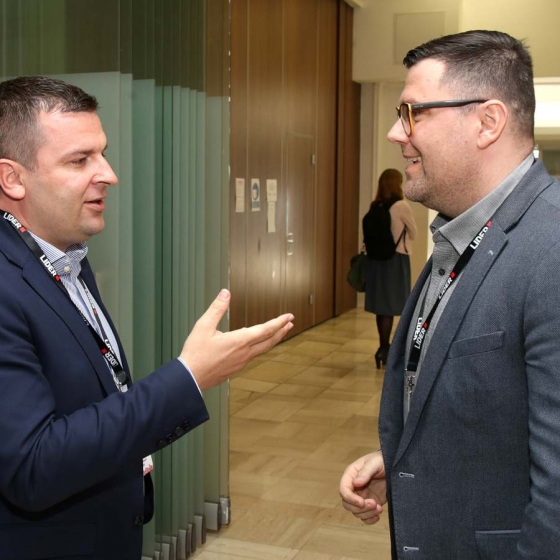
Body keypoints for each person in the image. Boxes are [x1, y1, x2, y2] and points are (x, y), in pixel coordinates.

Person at [0, 76, 294, 560]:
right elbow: (32, 466)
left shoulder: (64, 257)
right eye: (79, 160)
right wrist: (189, 376)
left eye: (103, 153)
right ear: (13, 178)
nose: (109, 174)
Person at [339, 29, 560, 559]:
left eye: (413, 113)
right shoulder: (462, 234)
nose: (396, 132)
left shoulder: (550, 249)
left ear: (487, 122)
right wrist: (405, 464)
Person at [363, 169, 417, 368]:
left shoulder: (375, 205)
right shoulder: (401, 206)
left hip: (376, 261)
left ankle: (382, 347)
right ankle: (386, 350)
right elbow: (414, 233)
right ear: (397, 184)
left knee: (382, 307)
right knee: (393, 305)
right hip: (396, 259)